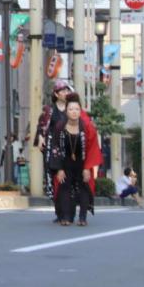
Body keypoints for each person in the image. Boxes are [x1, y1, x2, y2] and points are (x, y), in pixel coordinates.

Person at [47, 93, 95, 226]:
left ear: (80, 111)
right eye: (71, 109)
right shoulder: (60, 127)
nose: (74, 112)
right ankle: (67, 216)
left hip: (83, 162)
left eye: (77, 109)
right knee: (64, 187)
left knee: (84, 187)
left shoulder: (87, 127)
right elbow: (55, 147)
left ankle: (83, 217)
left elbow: (92, 148)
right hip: (65, 162)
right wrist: (59, 169)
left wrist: (87, 168)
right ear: (66, 111)